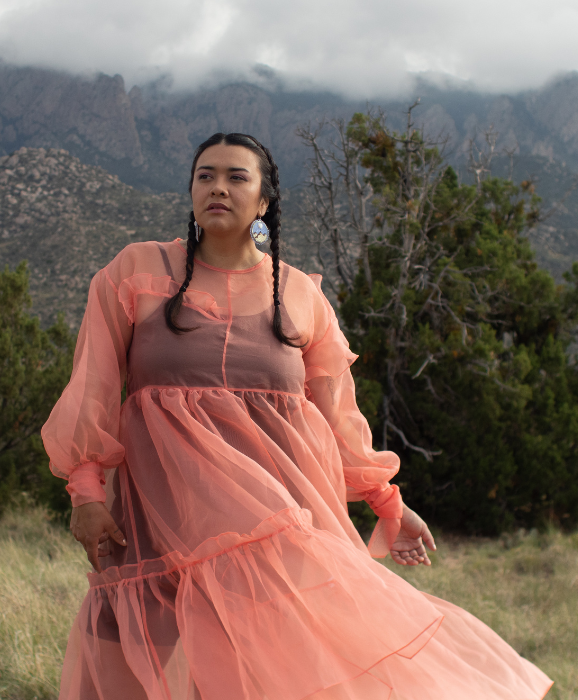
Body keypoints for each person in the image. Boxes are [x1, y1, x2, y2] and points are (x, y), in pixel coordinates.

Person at [41, 133, 552, 700]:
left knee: (253, 669)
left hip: (271, 516)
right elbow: (92, 389)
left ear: (264, 201)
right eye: (205, 175)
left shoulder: (301, 294)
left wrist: (388, 503)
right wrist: (86, 494)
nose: (218, 187)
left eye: (237, 177)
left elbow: (338, 418)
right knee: (127, 649)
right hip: (155, 508)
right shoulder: (137, 270)